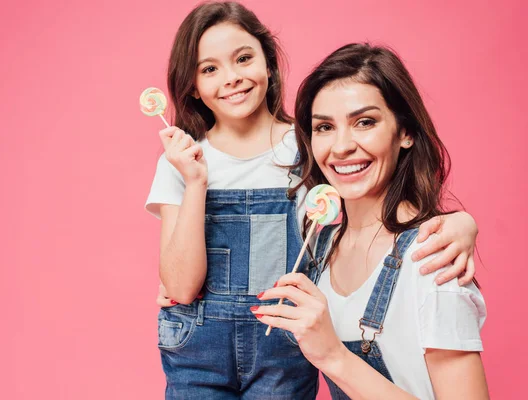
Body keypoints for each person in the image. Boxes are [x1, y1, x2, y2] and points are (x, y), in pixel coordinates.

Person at [146, 2, 478, 398]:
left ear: (269, 63)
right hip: (199, 349)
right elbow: (180, 287)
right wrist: (196, 181)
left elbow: (376, 200)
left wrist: (461, 224)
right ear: (192, 85)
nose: (231, 78)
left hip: (285, 346)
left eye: (244, 58)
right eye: (209, 68)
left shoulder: (309, 145)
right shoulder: (181, 161)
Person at [252, 43, 488, 399]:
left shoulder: (432, 259)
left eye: (365, 122)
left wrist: (333, 356)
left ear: (405, 132)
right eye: (325, 127)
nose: (342, 146)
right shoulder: (322, 245)